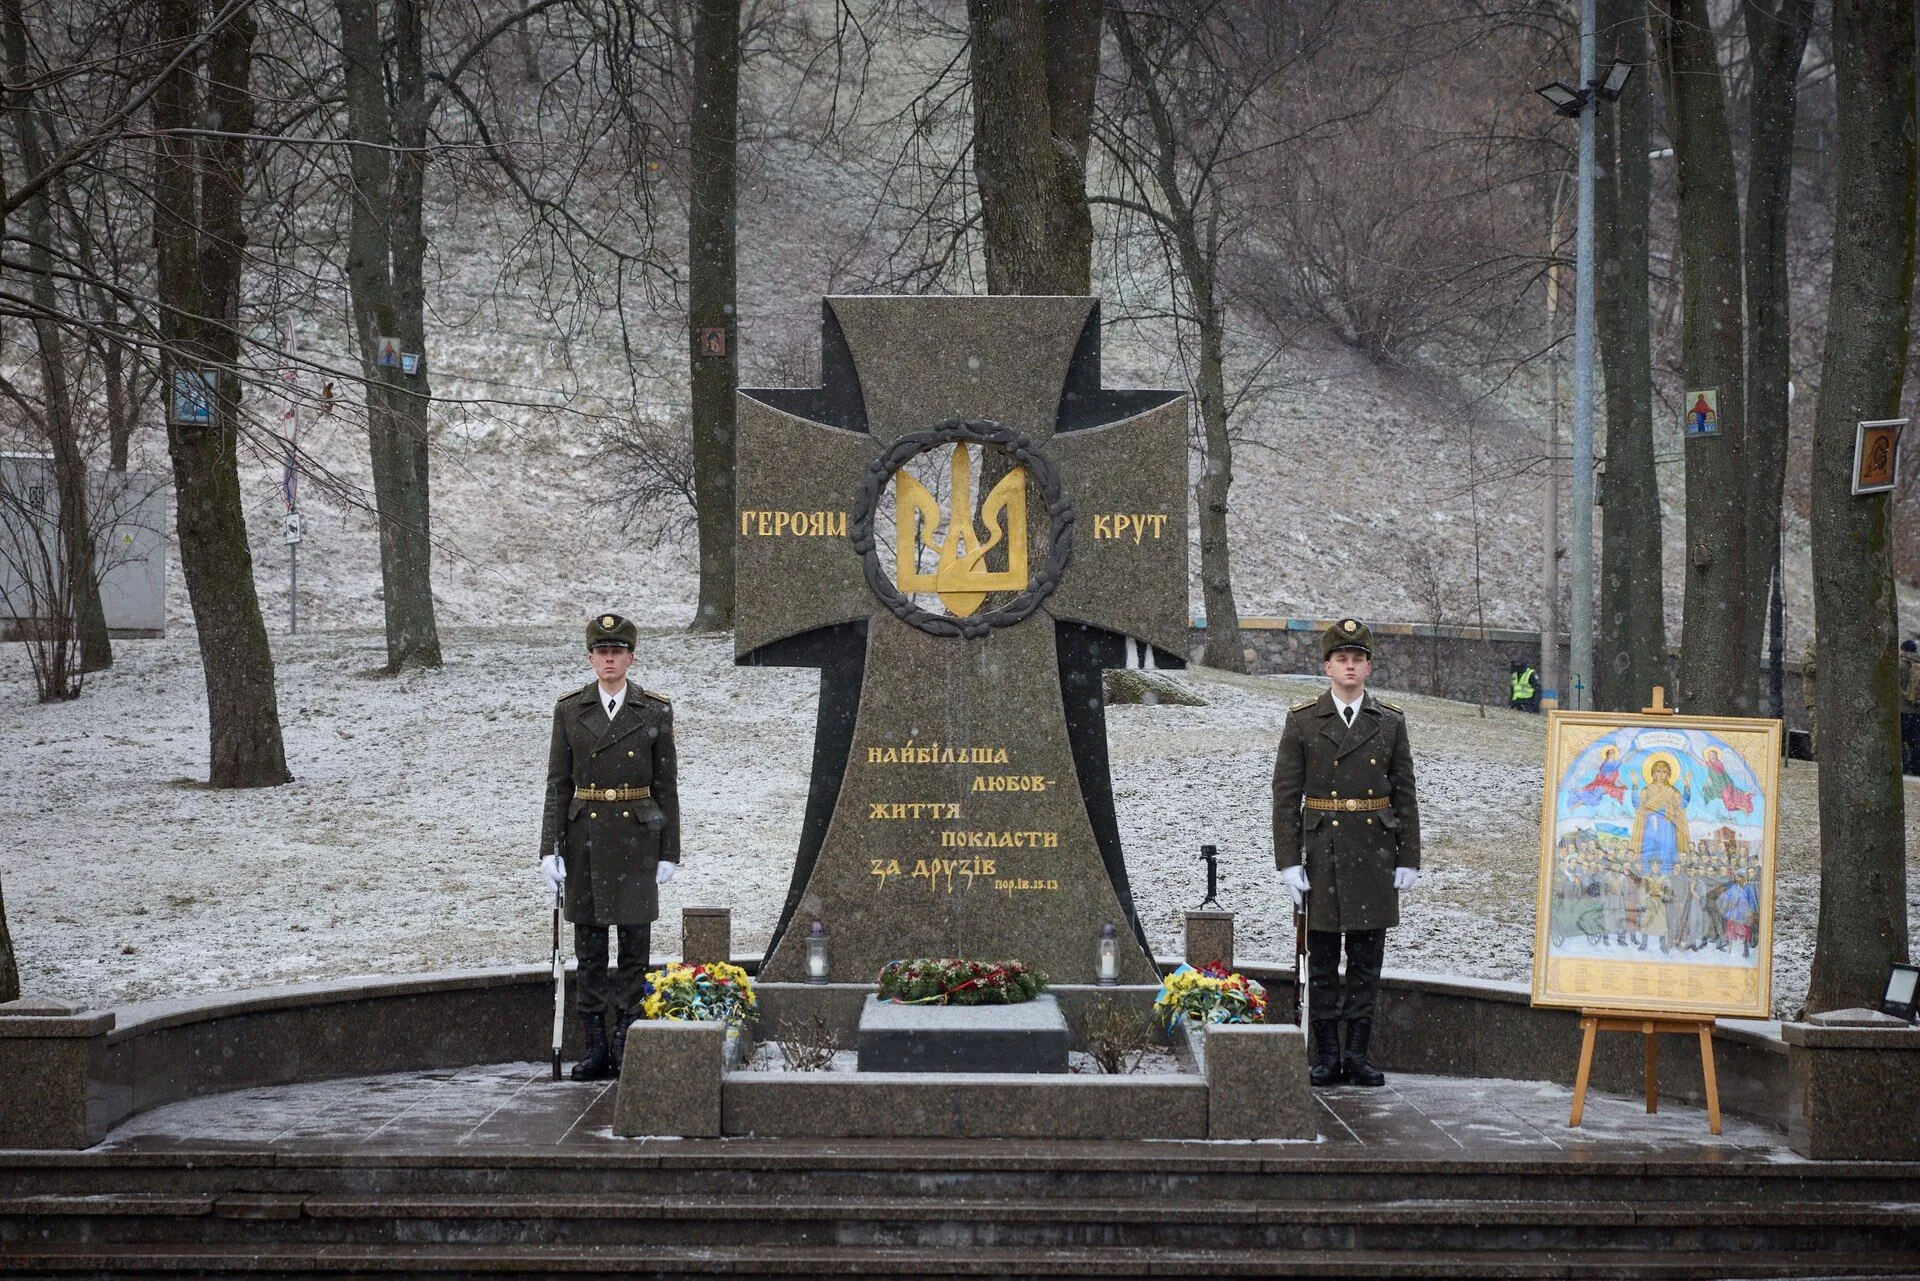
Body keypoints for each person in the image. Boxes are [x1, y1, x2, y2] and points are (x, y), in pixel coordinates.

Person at [1273, 618, 1422, 1088]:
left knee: (1364, 963)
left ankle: (1357, 1054)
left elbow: (1405, 794)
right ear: (1327, 667)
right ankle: (1326, 1055)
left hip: (1374, 854)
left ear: (1369, 667)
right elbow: (1285, 797)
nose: (1350, 666)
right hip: (1322, 854)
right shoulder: (1302, 721)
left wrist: (1408, 856)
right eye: (1342, 659)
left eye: (1358, 659)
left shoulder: (1390, 722)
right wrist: (1289, 862)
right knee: (1320, 963)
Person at [540, 613, 680, 1081]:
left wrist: (669, 851)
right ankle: (596, 1046)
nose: (609, 660)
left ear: (631, 657)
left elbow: (667, 787)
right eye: (602, 652)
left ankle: (625, 1040)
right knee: (592, 950)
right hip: (585, 840)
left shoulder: (655, 710)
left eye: (617, 652)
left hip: (638, 840)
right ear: (590, 658)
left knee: (636, 950)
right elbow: (558, 785)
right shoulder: (569, 710)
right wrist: (549, 848)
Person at [1900, 639, 1920, 777]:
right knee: (1916, 743)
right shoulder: (1918, 665)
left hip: (1902, 710)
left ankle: (1903, 767)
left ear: (1903, 650)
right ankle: (1916, 768)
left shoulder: (1900, 665)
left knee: (1899, 739)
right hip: (1917, 712)